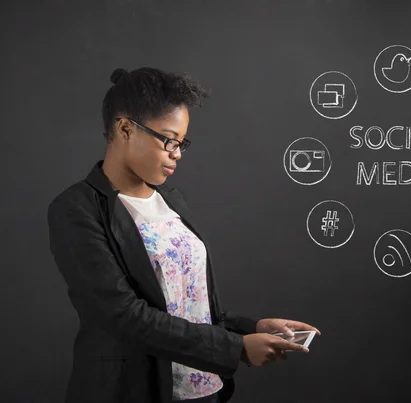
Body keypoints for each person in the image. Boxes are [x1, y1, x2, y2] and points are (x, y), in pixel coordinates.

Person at [47, 67, 321, 403]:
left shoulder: (172, 201)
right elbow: (124, 315)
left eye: (181, 143)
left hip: (206, 390)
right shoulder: (76, 209)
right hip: (131, 391)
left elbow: (191, 305)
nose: (177, 153)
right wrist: (235, 349)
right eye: (168, 140)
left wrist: (251, 328)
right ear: (124, 129)